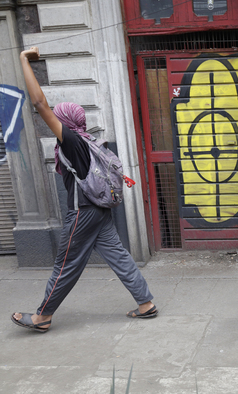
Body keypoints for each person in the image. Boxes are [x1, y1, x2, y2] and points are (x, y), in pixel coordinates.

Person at [11, 47, 157, 333]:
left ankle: (43, 316)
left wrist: (22, 60)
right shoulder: (88, 140)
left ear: (63, 123)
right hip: (99, 209)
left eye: (57, 119)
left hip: (82, 212)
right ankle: (145, 303)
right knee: (118, 254)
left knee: (66, 264)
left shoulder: (71, 143)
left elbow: (40, 103)